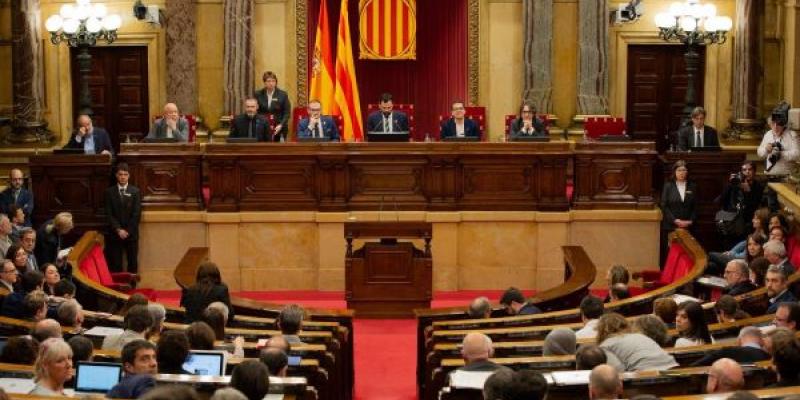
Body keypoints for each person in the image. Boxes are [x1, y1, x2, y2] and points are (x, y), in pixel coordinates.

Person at [596, 313, 678, 372]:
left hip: (646, 374)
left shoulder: (605, 345)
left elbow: (618, 370)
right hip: (673, 367)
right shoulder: (639, 336)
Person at [104, 163, 142, 273]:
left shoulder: (135, 191)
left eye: (125, 174)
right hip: (115, 234)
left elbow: (136, 214)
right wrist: (118, 230)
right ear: (116, 175)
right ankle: (117, 287)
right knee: (116, 263)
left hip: (131, 234)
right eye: (120, 174)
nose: (123, 177)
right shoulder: (109, 192)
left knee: (132, 261)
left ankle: (132, 285)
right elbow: (109, 214)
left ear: (129, 176)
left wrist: (127, 231)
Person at [720, 161, 765, 235]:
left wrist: (748, 191)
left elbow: (754, 205)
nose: (747, 172)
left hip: (748, 222)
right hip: (732, 221)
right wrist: (730, 184)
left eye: (750, 169)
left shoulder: (758, 186)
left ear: (754, 171)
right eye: (744, 170)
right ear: (741, 172)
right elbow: (722, 199)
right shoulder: (735, 184)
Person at [691, 326, 770, 366]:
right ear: (762, 342)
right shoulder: (771, 358)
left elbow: (695, 367)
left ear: (739, 340)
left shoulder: (726, 352)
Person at [660, 160, 696, 244]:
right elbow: (664, 205)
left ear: (687, 172)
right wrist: (675, 220)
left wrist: (690, 221)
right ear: (674, 172)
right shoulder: (668, 186)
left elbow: (695, 206)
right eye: (679, 170)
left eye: (684, 170)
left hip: (688, 226)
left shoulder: (693, 186)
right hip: (671, 226)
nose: (682, 173)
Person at [757, 108, 799, 179]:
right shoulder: (768, 134)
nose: (775, 127)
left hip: (786, 177)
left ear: (783, 124)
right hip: (769, 175)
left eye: (778, 124)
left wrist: (781, 154)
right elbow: (760, 153)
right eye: (773, 123)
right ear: (769, 124)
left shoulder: (792, 135)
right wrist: (766, 150)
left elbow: (798, 154)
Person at [254, 71, 291, 141]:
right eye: (268, 81)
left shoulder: (282, 94)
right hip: (263, 126)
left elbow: (287, 113)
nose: (271, 83)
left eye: (273, 81)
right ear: (264, 82)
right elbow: (256, 111)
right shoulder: (258, 94)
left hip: (278, 126)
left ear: (276, 82)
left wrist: (281, 125)